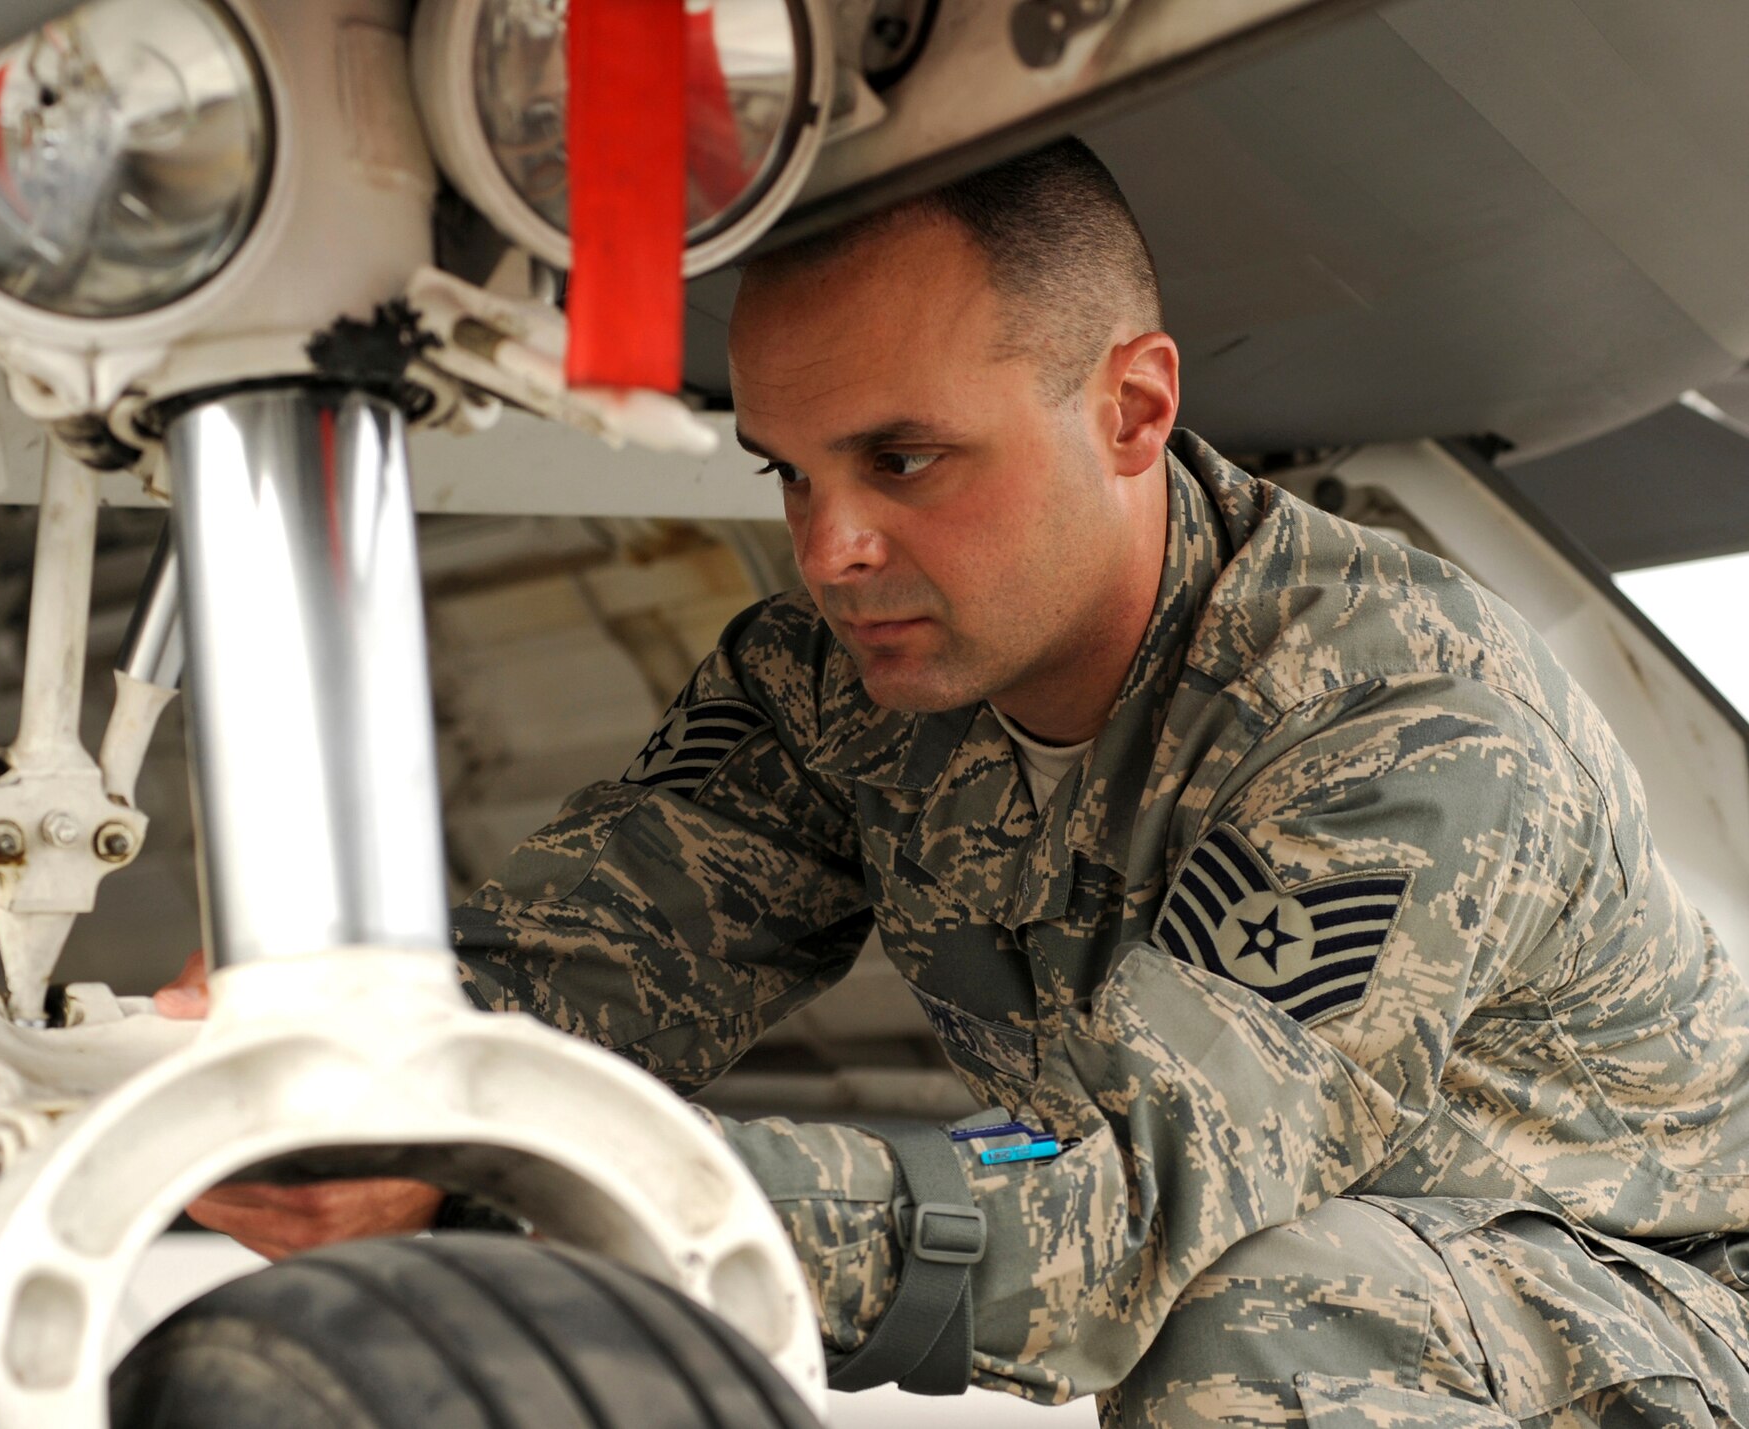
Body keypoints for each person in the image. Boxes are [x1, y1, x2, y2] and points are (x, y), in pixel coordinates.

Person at [160, 140, 1749, 1423]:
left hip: (1663, 1312)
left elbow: (1106, 1216)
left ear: (1131, 408)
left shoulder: (1397, 721)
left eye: (903, 459)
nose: (832, 546)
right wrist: (344, 1049)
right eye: (792, 471)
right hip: (1407, 1308)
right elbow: (581, 963)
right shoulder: (833, 679)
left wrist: (500, 1171)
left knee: (1273, 1315)